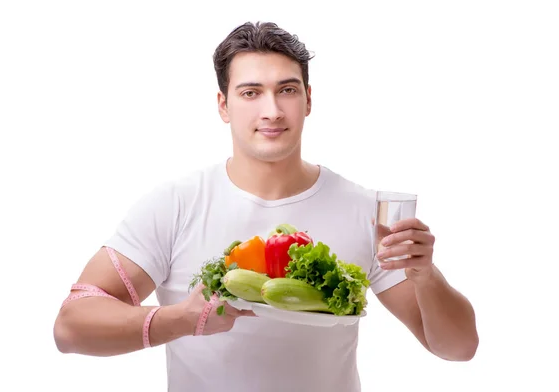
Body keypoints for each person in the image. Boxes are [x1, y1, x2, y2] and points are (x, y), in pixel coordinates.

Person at [53, 21, 479, 392]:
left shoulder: (364, 210)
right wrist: (182, 319)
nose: (271, 111)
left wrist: (424, 275)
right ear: (224, 105)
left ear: (308, 100)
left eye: (286, 90)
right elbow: (71, 325)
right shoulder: (176, 205)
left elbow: (458, 348)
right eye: (251, 92)